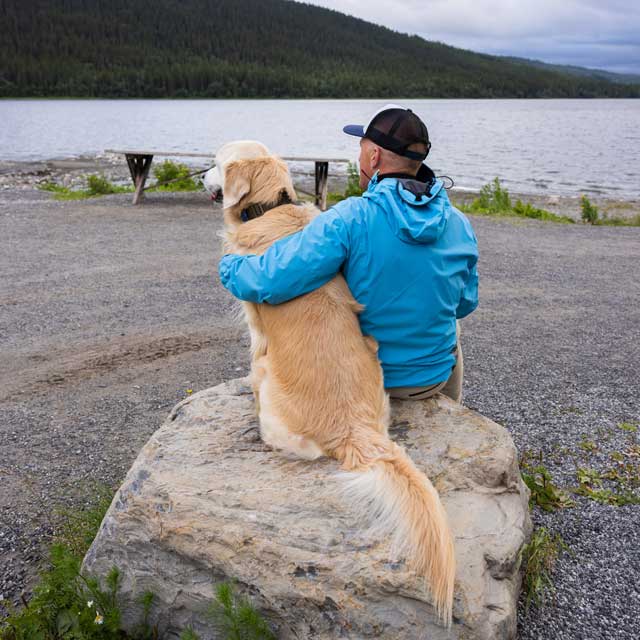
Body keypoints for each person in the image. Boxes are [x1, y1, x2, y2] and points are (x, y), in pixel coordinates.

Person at [218, 104, 478, 402]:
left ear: (374, 156)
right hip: (433, 378)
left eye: (361, 148)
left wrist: (230, 265)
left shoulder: (350, 217)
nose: (358, 157)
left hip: (366, 381)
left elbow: (272, 279)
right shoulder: (458, 222)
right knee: (452, 334)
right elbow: (465, 304)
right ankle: (451, 411)